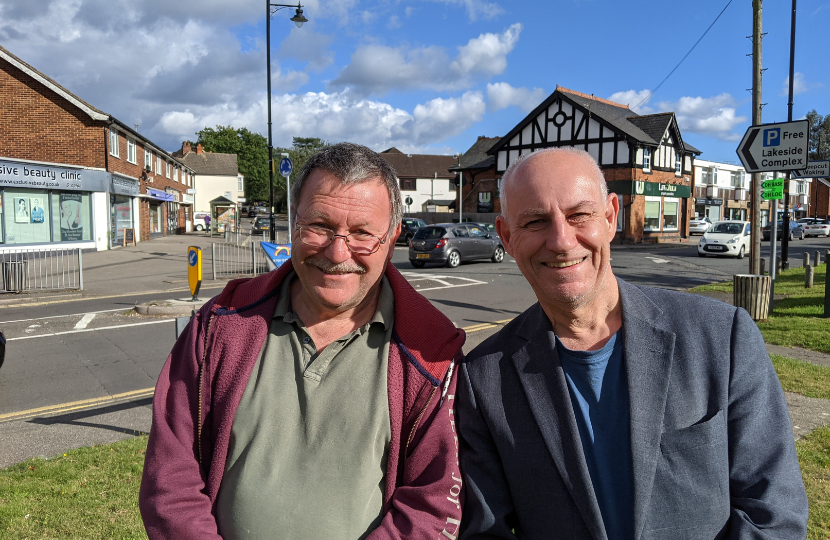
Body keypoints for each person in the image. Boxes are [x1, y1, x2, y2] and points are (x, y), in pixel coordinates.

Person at [457, 147, 808, 539]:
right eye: (536, 221)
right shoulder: (483, 377)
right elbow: (486, 531)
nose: (560, 240)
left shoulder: (721, 336)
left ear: (610, 216)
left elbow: (773, 512)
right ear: (506, 236)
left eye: (579, 215)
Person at [139, 142, 466, 540]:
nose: (337, 251)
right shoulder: (220, 323)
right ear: (294, 222)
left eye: (362, 233)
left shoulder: (430, 350)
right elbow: (171, 478)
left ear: (394, 235)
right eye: (320, 226)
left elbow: (430, 506)